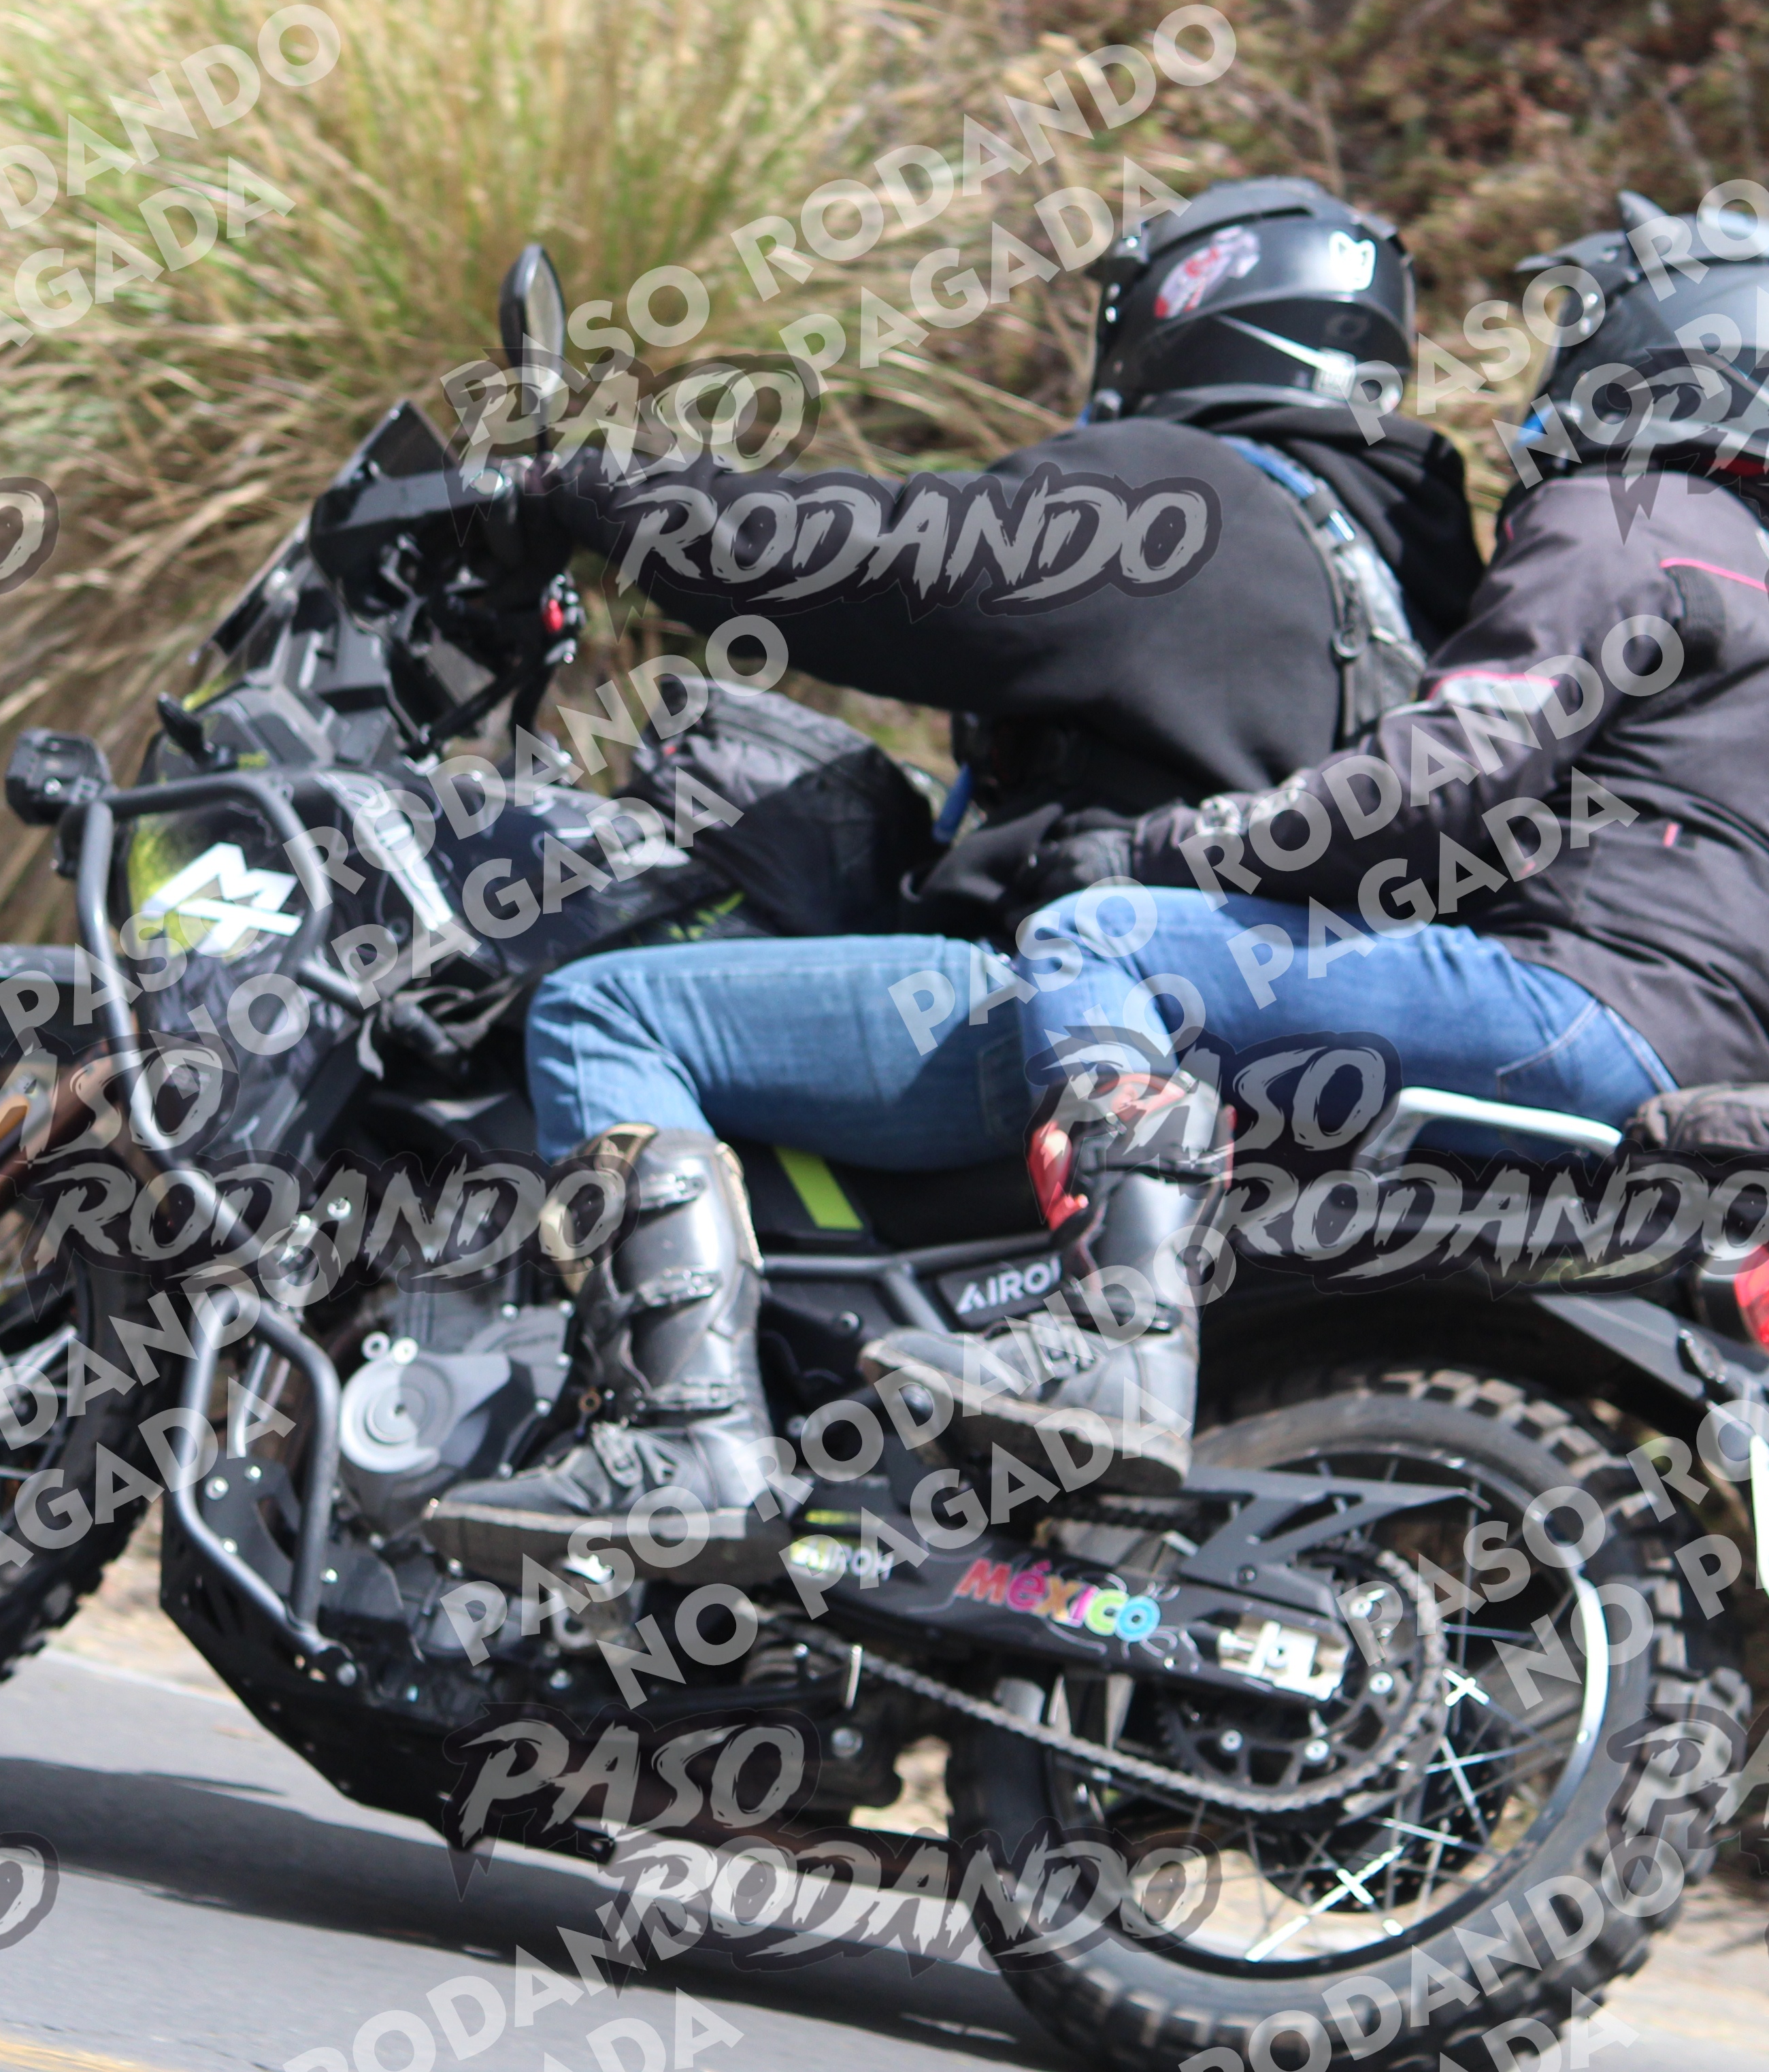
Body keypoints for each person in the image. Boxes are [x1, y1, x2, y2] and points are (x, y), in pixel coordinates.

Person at [418, 178, 1483, 1587]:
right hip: (1273, 1038)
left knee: (603, 1014)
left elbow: (876, 563)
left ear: (1182, 313)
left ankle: (689, 1447)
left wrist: (602, 489)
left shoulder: (1180, 497)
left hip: (1063, 1018)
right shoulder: (1418, 576)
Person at [953, 193, 1769, 1516]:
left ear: (1662, 347)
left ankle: (1113, 1340)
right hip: (1713, 1072)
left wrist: (1165, 848)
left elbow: (1440, 783)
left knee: (1099, 939)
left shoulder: (1628, 521)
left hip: (1578, 1008)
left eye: (1588, 328)